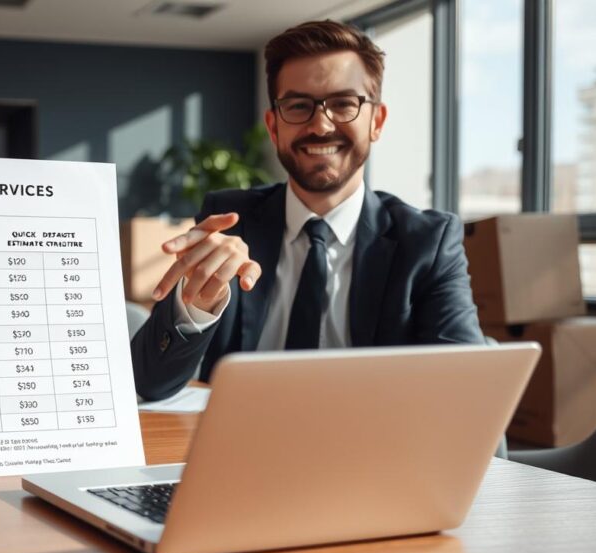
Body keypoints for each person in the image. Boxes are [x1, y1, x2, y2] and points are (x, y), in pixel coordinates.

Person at [132, 20, 484, 401]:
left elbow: (468, 391)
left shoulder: (428, 243)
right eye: (298, 106)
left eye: (344, 104)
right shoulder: (229, 221)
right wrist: (198, 305)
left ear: (377, 121)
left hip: (374, 436)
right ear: (273, 127)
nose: (321, 125)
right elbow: (147, 383)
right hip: (244, 434)